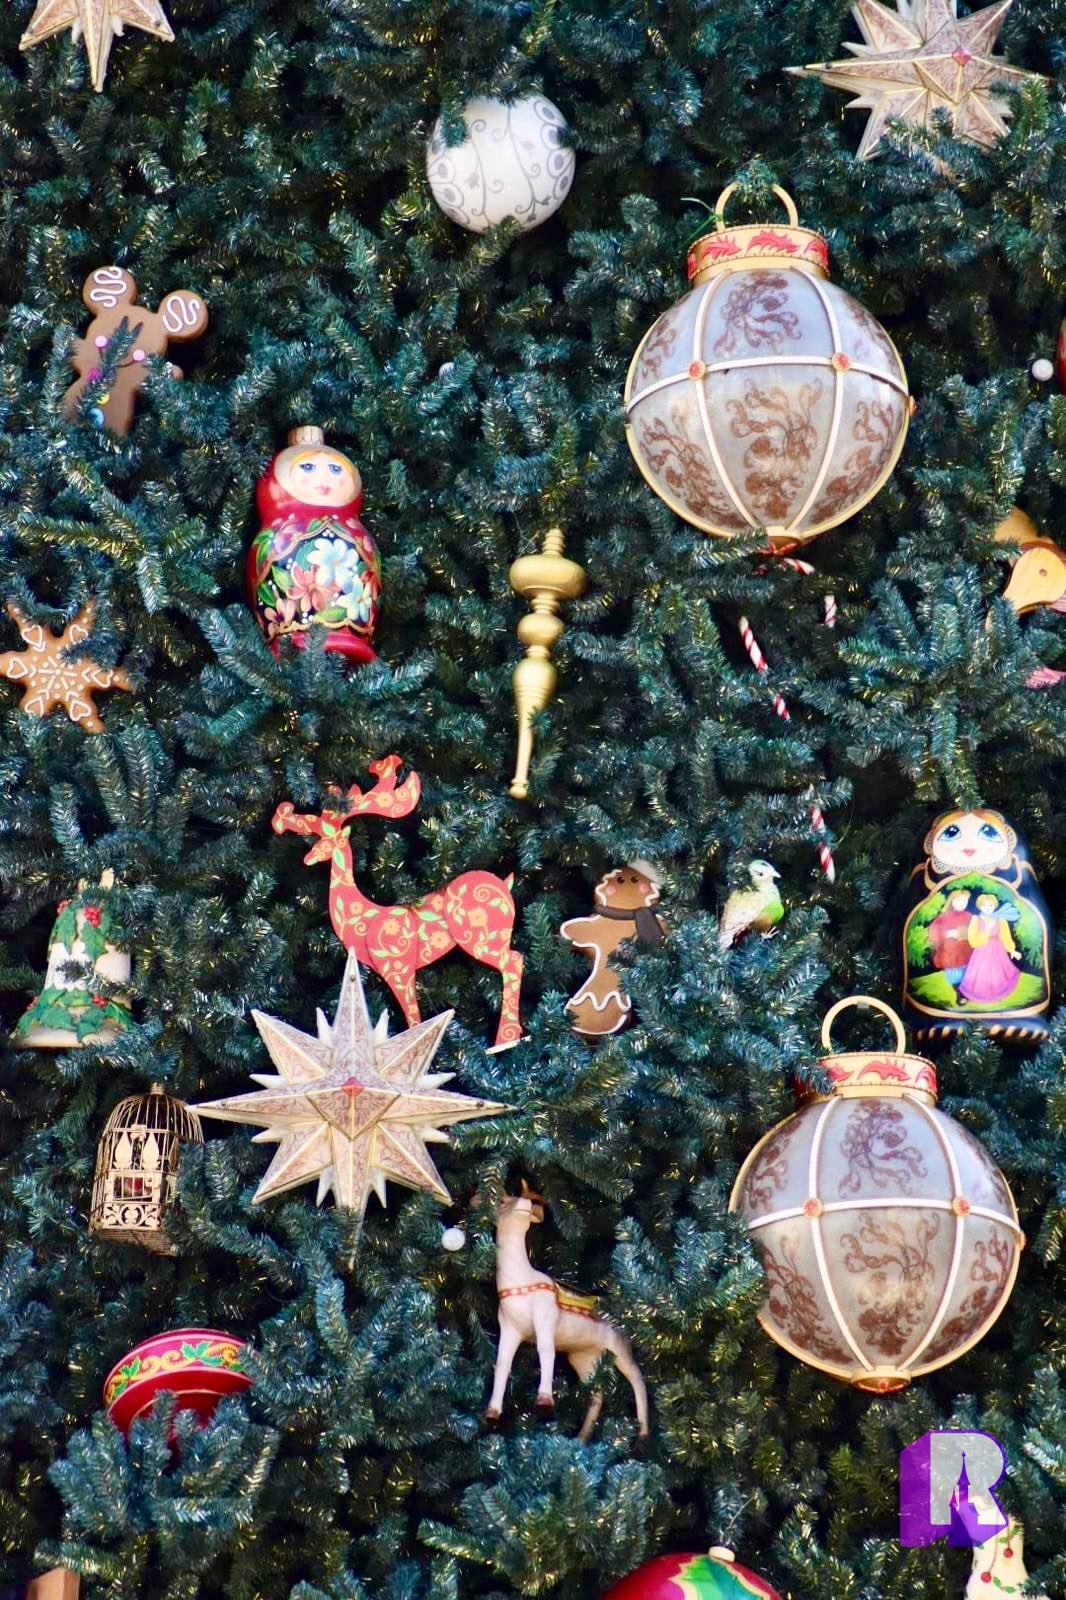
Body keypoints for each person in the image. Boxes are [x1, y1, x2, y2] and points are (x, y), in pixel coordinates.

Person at [958, 894, 1022, 1005]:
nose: (988, 908)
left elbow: (1005, 936)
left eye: (990, 905)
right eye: (984, 905)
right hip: (981, 951)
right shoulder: (976, 919)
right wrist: (986, 932)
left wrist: (1012, 950)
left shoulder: (1000, 919)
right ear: (980, 906)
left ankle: (997, 995)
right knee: (981, 973)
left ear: (995, 906)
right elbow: (973, 940)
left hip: (998, 951)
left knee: (997, 973)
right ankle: (977, 996)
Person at [926, 890, 972, 992]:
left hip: (965, 951)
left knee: (965, 974)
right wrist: (946, 934)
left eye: (964, 901)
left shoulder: (969, 916)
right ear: (952, 901)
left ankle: (965, 991)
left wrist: (962, 932)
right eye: (958, 900)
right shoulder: (944, 917)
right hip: (950, 953)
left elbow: (975, 930)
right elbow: (933, 930)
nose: (962, 903)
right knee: (954, 976)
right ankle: (957, 993)